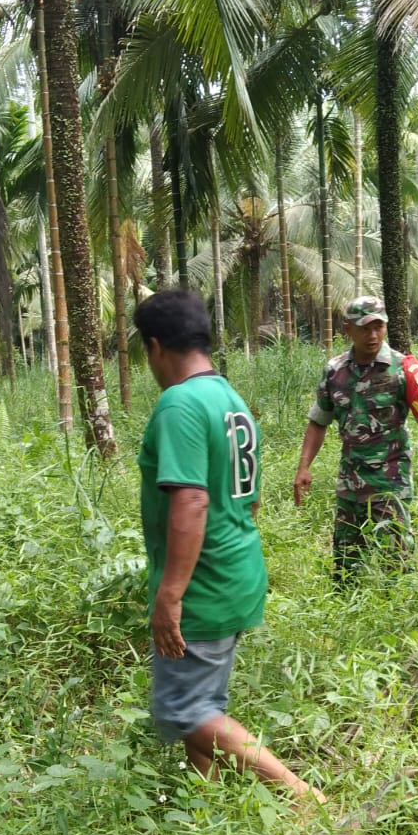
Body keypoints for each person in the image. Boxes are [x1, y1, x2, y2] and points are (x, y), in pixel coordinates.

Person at [135, 289, 324, 806]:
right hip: (237, 567)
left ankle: (302, 795)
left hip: (202, 583)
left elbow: (192, 501)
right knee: (205, 701)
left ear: (154, 347)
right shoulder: (230, 400)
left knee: (184, 712)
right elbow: (250, 499)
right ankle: (205, 810)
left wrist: (170, 595)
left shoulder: (180, 404)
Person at [293, 297, 418, 581]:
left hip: (390, 483)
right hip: (350, 482)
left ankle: (398, 618)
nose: (372, 335)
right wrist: (303, 467)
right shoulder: (335, 371)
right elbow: (318, 421)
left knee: (396, 563)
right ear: (347, 329)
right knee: (346, 566)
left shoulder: (403, 369)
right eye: (364, 328)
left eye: (378, 327)